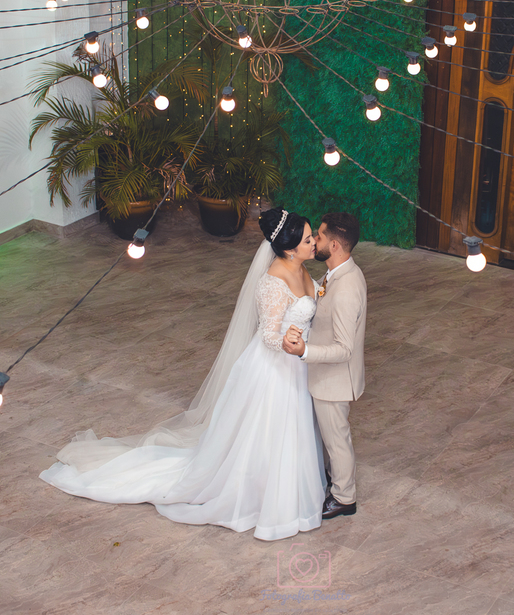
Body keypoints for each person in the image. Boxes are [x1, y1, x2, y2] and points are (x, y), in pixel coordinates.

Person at [40, 207, 326, 541]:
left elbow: (310, 300)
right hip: (275, 369)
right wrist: (288, 341)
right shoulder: (272, 282)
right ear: (289, 248)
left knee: (294, 428)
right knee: (269, 431)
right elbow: (268, 335)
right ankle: (264, 495)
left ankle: (290, 486)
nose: (314, 243)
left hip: (298, 364)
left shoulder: (300, 267)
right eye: (308, 239)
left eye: (312, 237)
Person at [283, 212, 366, 519]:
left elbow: (344, 349)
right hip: (327, 377)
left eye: (318, 236)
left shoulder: (346, 288)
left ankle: (344, 498)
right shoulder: (337, 274)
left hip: (335, 380)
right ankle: (334, 479)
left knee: (337, 440)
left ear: (334, 246)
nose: (314, 240)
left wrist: (304, 351)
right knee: (331, 438)